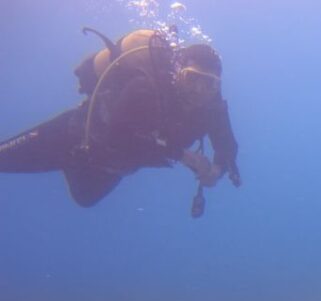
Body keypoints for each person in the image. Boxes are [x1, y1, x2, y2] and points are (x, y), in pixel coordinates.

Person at [0, 28, 241, 217]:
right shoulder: (147, 87)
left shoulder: (212, 108)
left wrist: (216, 171)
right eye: (192, 79)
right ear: (178, 74)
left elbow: (227, 147)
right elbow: (118, 136)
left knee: (85, 199)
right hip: (70, 137)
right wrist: (182, 155)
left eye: (208, 83)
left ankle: (74, 167)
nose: (199, 90)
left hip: (106, 169)